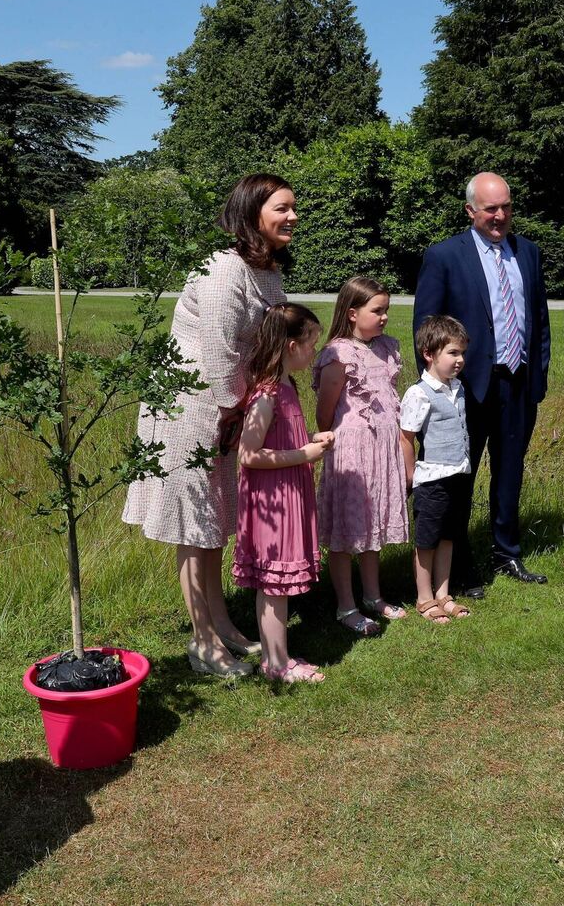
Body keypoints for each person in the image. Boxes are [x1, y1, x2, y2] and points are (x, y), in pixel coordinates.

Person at [122, 173, 296, 680]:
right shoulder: (222, 270)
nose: (292, 217)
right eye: (281, 208)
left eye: (293, 208)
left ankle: (221, 624)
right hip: (192, 408)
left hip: (228, 406)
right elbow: (219, 353)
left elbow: (262, 344)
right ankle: (202, 644)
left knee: (214, 520)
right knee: (195, 522)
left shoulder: (265, 270)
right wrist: (235, 410)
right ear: (252, 214)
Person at [413, 172, 552, 596]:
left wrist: (539, 375)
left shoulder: (527, 253)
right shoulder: (444, 256)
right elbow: (426, 328)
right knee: (458, 478)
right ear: (471, 210)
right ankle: (458, 566)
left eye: (506, 207)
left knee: (510, 473)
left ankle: (506, 552)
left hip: (517, 383)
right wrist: (435, 390)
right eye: (491, 208)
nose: (500, 215)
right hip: (464, 389)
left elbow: (540, 321)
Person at [234, 303, 334, 683]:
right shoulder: (267, 393)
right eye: (311, 343)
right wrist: (303, 454)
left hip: (287, 493)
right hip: (272, 503)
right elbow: (248, 454)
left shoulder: (288, 385)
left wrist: (312, 439)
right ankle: (276, 664)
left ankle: (276, 658)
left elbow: (283, 438)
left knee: (278, 585)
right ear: (292, 346)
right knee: (275, 584)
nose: (314, 351)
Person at [313, 277, 409, 636]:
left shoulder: (386, 347)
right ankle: (346, 605)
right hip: (352, 452)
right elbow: (325, 412)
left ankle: (373, 596)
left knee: (373, 525)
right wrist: (341, 438)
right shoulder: (339, 354)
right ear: (352, 313)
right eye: (377, 310)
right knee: (346, 530)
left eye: (386, 310)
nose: (384, 317)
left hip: (382, 449)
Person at [399, 315, 474, 624]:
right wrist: (409, 475)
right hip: (432, 480)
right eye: (452, 353)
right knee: (427, 539)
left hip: (458, 475)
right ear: (428, 354)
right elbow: (406, 437)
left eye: (462, 353)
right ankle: (424, 597)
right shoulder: (419, 393)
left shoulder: (457, 388)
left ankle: (443, 593)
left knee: (448, 536)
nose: (460, 360)